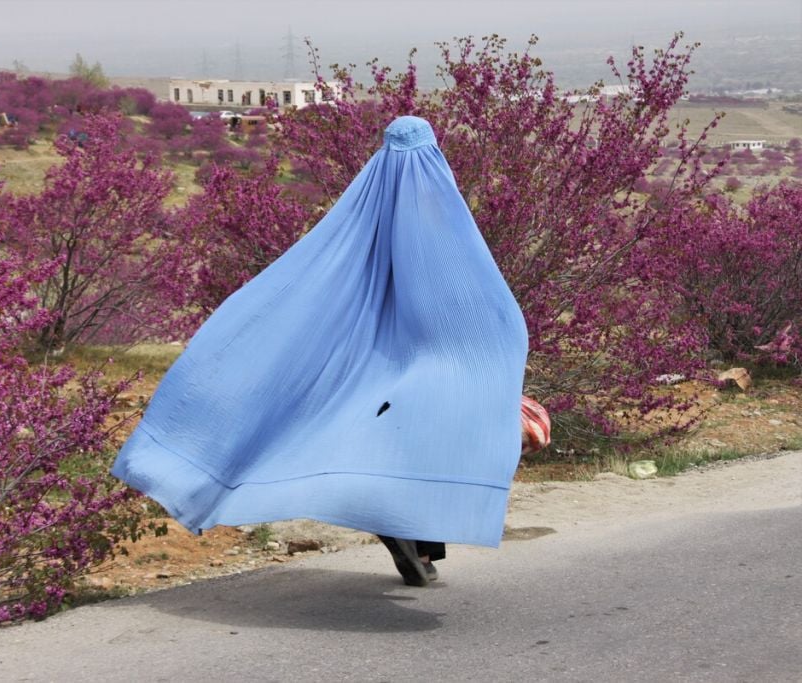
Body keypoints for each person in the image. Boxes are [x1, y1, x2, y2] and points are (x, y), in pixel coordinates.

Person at [112, 116, 528, 586]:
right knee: (424, 434)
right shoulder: (437, 197)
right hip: (432, 349)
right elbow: (469, 284)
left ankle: (405, 534)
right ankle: (415, 539)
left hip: (363, 351)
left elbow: (316, 275)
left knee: (363, 426)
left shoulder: (364, 205)